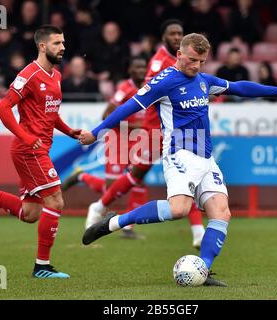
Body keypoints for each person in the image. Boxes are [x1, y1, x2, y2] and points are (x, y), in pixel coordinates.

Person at [77, 33, 277, 286]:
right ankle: (115, 222)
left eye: (202, 61)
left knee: (222, 213)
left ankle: (202, 270)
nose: (196, 66)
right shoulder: (163, 82)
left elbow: (239, 87)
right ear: (179, 54)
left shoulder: (204, 80)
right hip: (179, 153)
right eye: (192, 60)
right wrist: (95, 132)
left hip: (206, 158)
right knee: (178, 209)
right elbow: (129, 107)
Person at [65, 19, 207, 249]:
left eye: (179, 33)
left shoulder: (183, 60)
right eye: (172, 33)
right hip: (157, 130)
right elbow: (149, 98)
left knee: (178, 174)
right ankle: (100, 205)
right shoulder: (160, 62)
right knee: (136, 176)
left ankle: (198, 232)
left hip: (174, 129)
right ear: (163, 38)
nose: (176, 36)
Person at [0, 25, 78, 279]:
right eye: (57, 43)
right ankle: (42, 267)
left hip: (35, 149)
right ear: (42, 46)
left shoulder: (56, 76)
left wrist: (70, 131)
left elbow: (50, 114)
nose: (62, 47)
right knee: (55, 201)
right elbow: (3, 108)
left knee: (30, 213)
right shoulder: (29, 75)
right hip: (29, 150)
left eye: (63, 42)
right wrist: (27, 137)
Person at [61, 56, 148, 239]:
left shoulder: (149, 87)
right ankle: (82, 176)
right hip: (118, 141)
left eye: (143, 67)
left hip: (139, 142)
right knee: (112, 188)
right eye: (137, 67)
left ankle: (128, 228)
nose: (141, 70)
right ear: (130, 71)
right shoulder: (124, 89)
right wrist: (137, 127)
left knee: (138, 182)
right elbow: (106, 116)